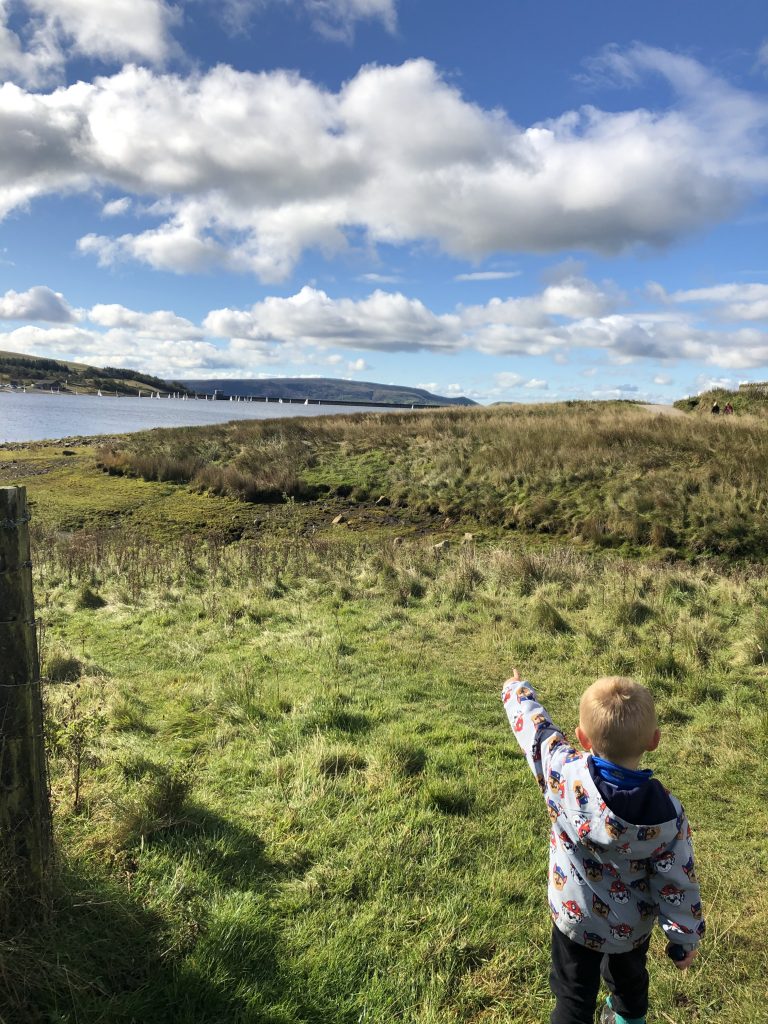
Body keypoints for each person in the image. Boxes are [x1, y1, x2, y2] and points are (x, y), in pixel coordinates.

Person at [502, 673, 703, 1024]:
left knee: (572, 994)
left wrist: (517, 690)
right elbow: (677, 883)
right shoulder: (667, 815)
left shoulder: (562, 773)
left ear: (582, 738)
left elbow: (537, 733)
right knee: (629, 988)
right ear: (654, 740)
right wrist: (683, 939)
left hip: (575, 916)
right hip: (631, 930)